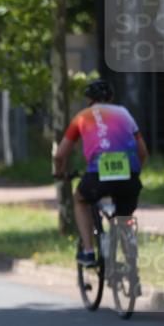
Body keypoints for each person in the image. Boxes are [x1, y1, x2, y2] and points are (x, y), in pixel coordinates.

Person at [53, 79, 149, 267]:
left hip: (97, 176)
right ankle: (129, 253)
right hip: (129, 175)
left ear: (89, 99)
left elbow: (60, 155)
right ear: (111, 98)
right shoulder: (125, 114)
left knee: (80, 200)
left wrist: (59, 173)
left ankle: (89, 252)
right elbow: (143, 152)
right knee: (124, 214)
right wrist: (135, 172)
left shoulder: (82, 117)